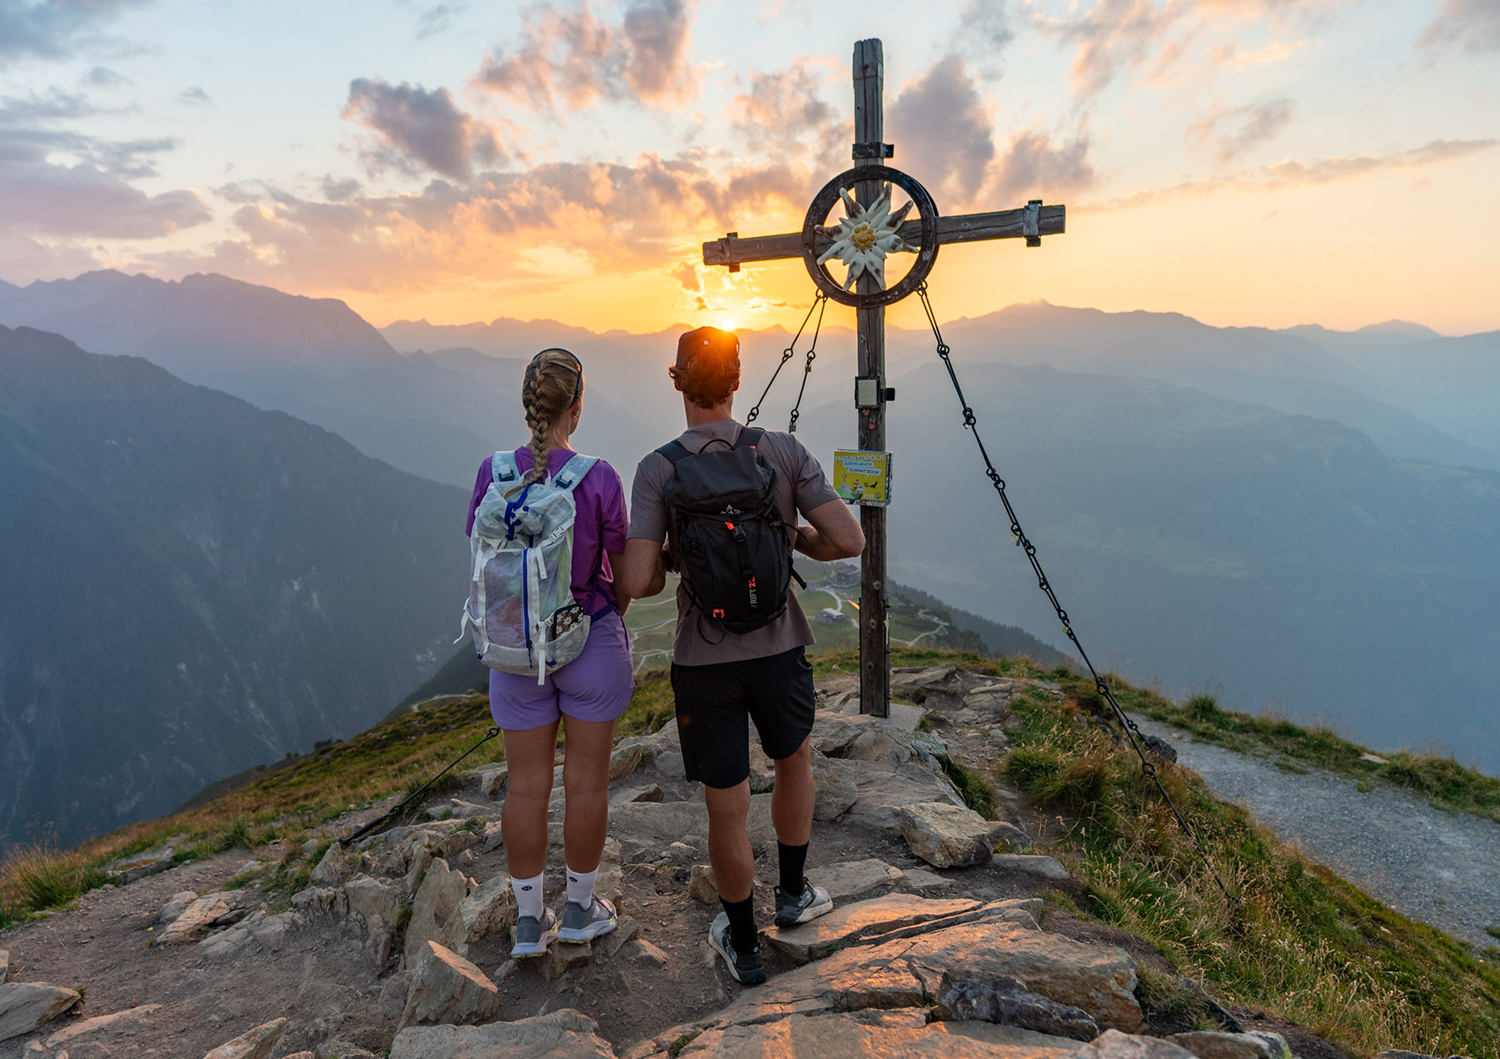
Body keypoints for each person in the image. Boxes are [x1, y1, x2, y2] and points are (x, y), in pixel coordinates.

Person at [615, 326, 866, 985]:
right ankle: (794, 894)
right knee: (793, 762)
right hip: (780, 647)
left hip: (705, 661)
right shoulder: (781, 450)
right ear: (737, 378)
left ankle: (746, 944)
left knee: (725, 804)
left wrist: (673, 554)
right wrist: (794, 537)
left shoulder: (658, 469)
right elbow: (849, 540)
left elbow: (637, 579)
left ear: (676, 381)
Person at [465, 348, 635, 958]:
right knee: (586, 785)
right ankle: (581, 910)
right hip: (587, 640)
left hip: (514, 653)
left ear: (528, 406)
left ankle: (529, 922)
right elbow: (621, 569)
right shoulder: (599, 477)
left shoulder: (492, 473)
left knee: (525, 788)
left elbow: (485, 556)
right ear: (578, 406)